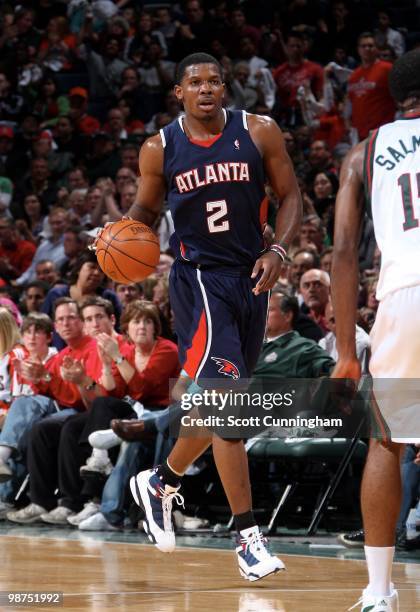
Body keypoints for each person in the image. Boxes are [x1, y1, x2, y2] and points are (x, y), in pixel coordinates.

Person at [95, 52, 302, 580]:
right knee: (228, 407)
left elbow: (291, 195)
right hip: (200, 282)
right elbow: (144, 211)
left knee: (216, 406)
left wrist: (278, 251)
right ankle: (248, 539)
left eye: (215, 80)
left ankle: (161, 482)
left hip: (252, 279)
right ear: (179, 94)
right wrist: (114, 238)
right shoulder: (159, 148)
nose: (207, 88)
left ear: (225, 88)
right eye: (195, 82)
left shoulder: (259, 132)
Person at [331, 49, 420, 611]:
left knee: (388, 441)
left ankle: (378, 592)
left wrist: (345, 349)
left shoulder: (363, 154)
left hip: (404, 295)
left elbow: (343, 253)